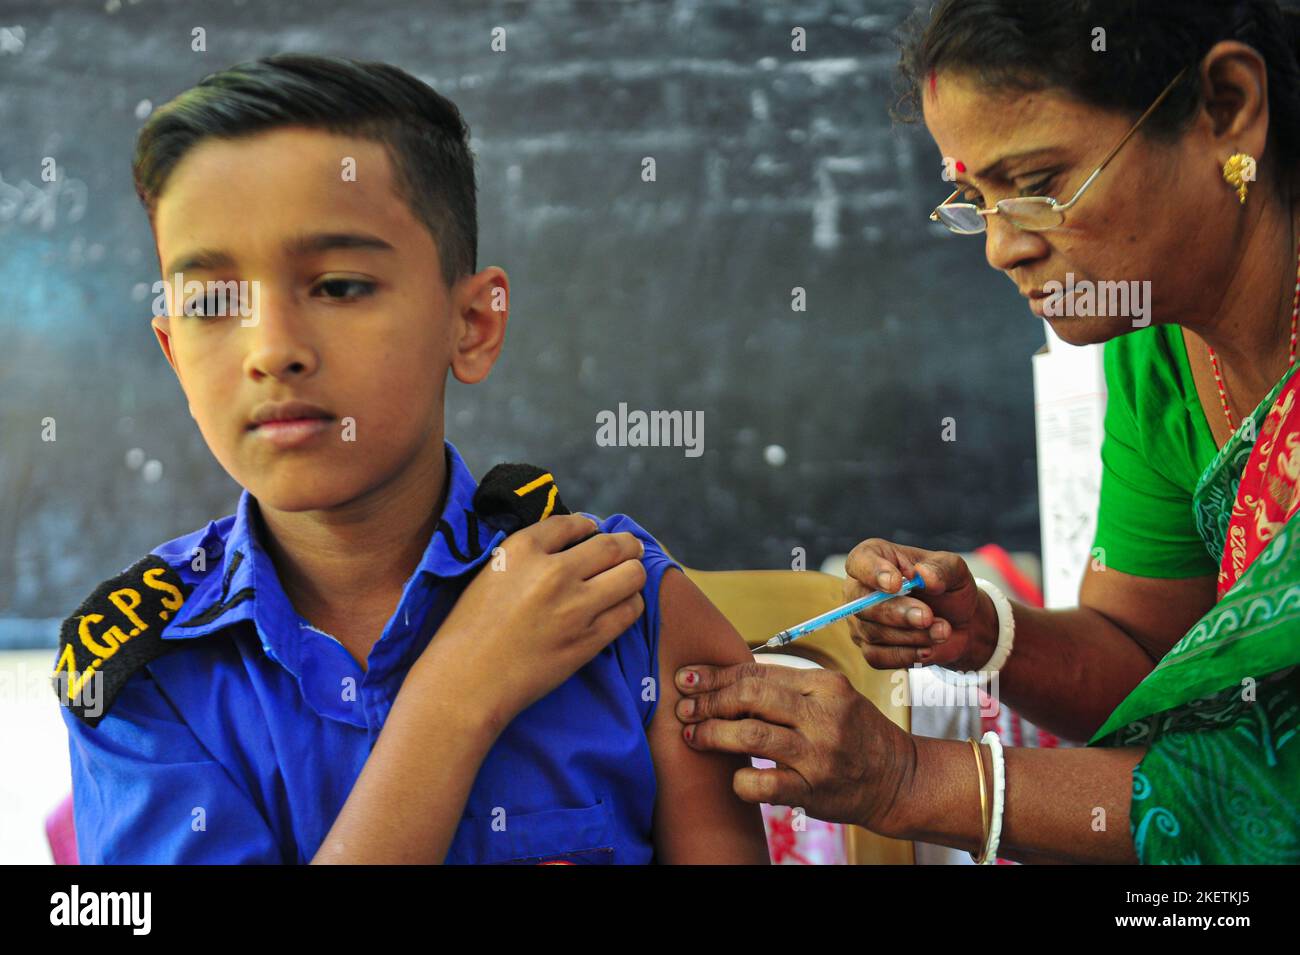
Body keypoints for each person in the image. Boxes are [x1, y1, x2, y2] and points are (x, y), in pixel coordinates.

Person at [52, 54, 770, 865]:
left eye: (339, 285)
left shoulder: (624, 610)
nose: (272, 350)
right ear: (173, 352)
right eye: (214, 301)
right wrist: (453, 699)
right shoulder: (143, 679)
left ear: (472, 324)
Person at [675, 0, 1300, 864]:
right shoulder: (1158, 351)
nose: (1002, 247)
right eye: (976, 201)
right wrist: (986, 633)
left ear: (1227, 106)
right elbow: (1151, 665)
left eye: (1039, 184)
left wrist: (907, 781)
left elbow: (1273, 786)